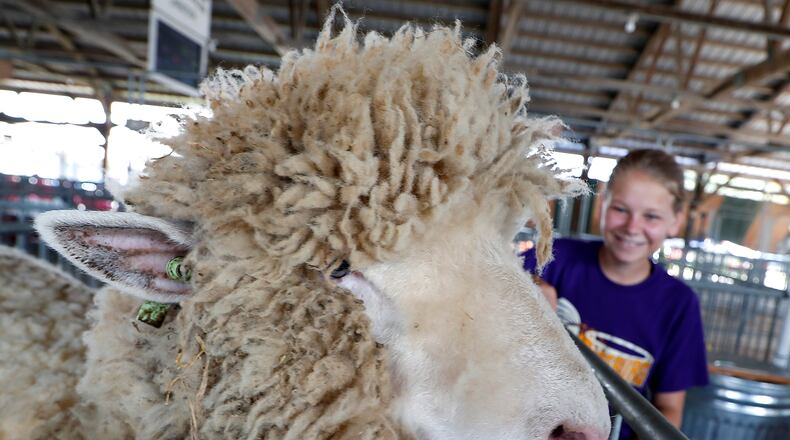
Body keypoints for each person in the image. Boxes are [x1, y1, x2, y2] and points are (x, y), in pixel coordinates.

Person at [522, 149, 709, 439]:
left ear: (675, 221)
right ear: (603, 205)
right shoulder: (553, 257)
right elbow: (495, 285)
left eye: (652, 216)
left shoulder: (678, 305)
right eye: (621, 209)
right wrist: (526, 288)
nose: (633, 227)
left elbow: (669, 406)